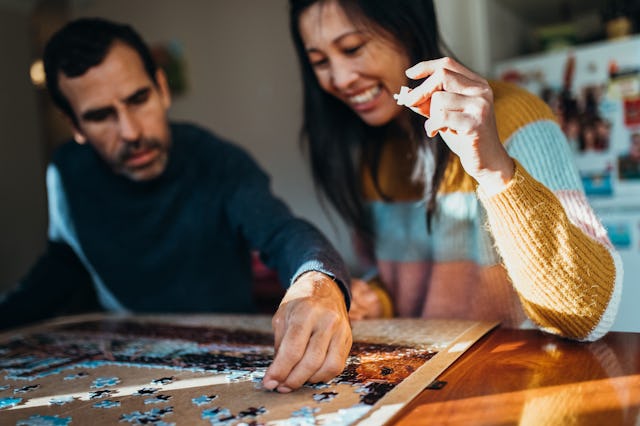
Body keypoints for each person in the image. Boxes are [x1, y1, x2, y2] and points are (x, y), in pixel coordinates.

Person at [0, 17, 352, 393]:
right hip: (120, 371)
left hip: (227, 365)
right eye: (100, 116)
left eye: (139, 99)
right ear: (75, 126)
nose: (131, 132)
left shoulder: (220, 162)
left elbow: (282, 232)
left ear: (162, 89)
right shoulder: (66, 172)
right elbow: (63, 262)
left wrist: (318, 280)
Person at [288, 0, 622, 341]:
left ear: (407, 28)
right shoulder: (374, 153)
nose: (340, 79)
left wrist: (495, 171)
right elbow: (405, 285)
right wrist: (378, 301)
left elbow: (589, 314)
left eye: (352, 48)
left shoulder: (517, 117)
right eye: (320, 61)